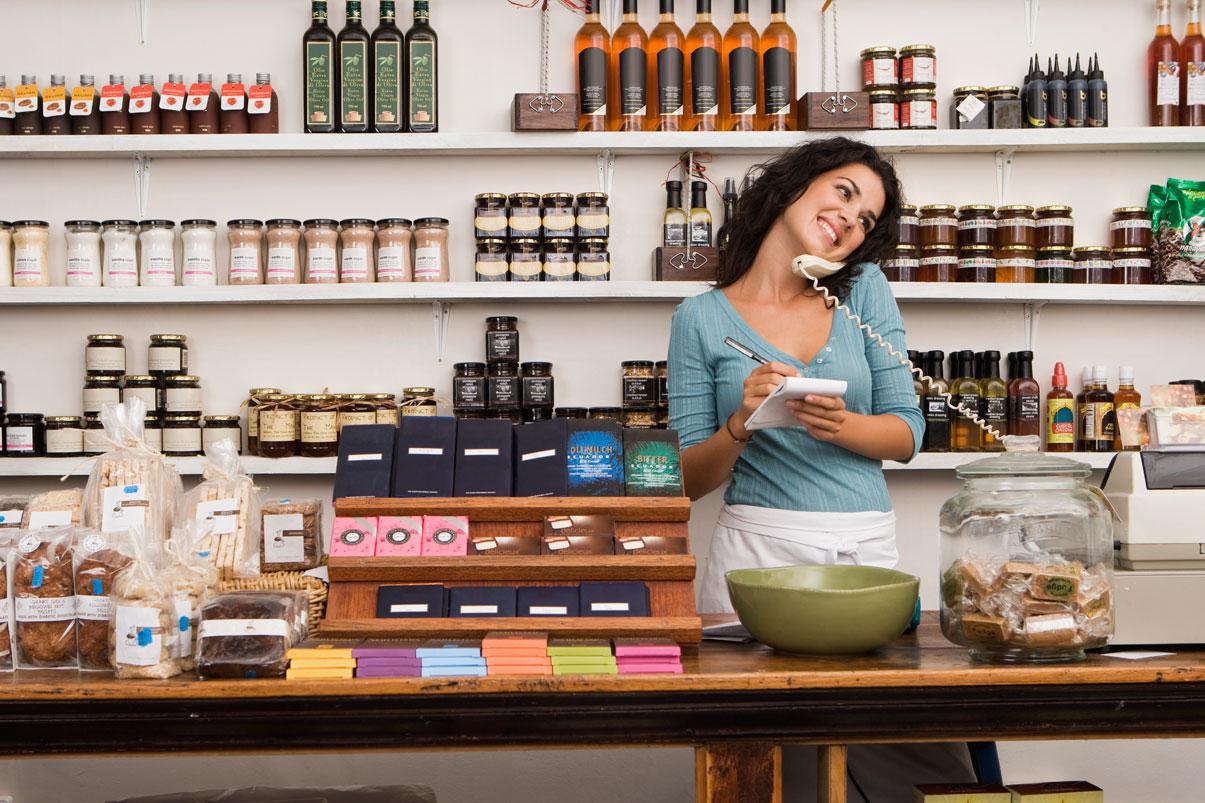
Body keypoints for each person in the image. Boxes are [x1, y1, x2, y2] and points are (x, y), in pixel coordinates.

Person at [667, 137, 976, 801]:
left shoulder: (861, 292)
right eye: (843, 193)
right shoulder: (698, 317)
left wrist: (840, 424)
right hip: (755, 558)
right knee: (772, 775)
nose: (850, 220)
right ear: (791, 188)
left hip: (864, 557)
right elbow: (688, 479)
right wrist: (740, 422)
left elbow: (906, 431)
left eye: (866, 219)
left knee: (920, 770)